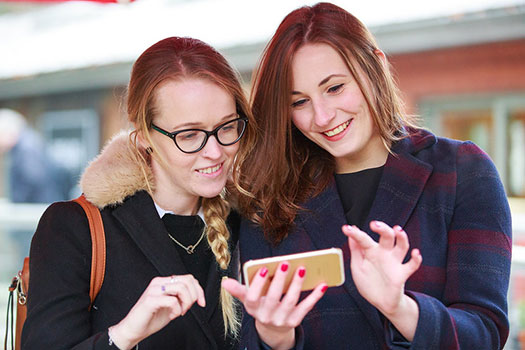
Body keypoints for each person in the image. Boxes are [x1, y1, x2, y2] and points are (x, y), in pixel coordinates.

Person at [222, 2, 512, 350]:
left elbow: (485, 335)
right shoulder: (271, 194)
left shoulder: (462, 172)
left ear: (375, 64)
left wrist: (400, 307)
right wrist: (274, 336)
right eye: (299, 102)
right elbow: (249, 338)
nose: (323, 117)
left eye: (334, 88)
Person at [21, 36, 255, 350]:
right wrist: (124, 335)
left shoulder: (253, 220)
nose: (214, 151)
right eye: (189, 135)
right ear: (143, 134)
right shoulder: (75, 228)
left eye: (227, 127)